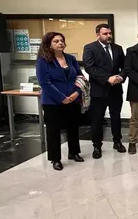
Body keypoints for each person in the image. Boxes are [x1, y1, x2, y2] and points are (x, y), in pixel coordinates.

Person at [36, 32, 84, 171]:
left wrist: (77, 93)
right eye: (56, 41)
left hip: (73, 99)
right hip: (52, 102)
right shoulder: (43, 61)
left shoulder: (70, 58)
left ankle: (74, 152)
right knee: (53, 130)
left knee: (73, 127)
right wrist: (62, 98)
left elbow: (80, 76)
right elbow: (45, 83)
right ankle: (55, 159)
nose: (60, 43)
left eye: (62, 40)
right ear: (49, 45)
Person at [83, 23, 127, 159]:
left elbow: (125, 66)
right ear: (98, 35)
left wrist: (120, 76)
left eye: (109, 33)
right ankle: (97, 146)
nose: (108, 36)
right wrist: (107, 78)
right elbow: (90, 68)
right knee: (97, 119)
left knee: (116, 117)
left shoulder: (117, 48)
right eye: (105, 34)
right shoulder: (90, 48)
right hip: (98, 91)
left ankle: (117, 141)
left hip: (115, 90)